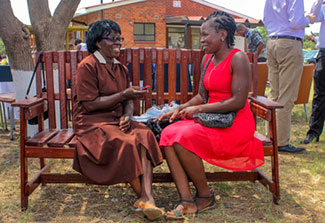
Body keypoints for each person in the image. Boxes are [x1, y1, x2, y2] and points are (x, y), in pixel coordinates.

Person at [158, 11, 264, 220]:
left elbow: (238, 101)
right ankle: (187, 200)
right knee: (168, 134)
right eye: (201, 35)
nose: (202, 39)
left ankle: (204, 196)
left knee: (181, 138)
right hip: (211, 118)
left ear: (223, 34)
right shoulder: (207, 59)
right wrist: (181, 108)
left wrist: (198, 110)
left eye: (206, 35)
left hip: (234, 123)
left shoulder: (238, 58)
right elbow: (201, 95)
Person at [72, 19, 165, 221]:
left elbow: (128, 98)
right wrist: (123, 95)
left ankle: (147, 198)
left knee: (145, 134)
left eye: (119, 38)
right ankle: (145, 197)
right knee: (127, 141)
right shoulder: (87, 67)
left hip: (116, 120)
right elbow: (89, 105)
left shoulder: (120, 68)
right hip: (92, 123)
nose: (118, 43)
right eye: (113, 39)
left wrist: (127, 114)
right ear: (98, 42)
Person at [263, 0, 316, 153]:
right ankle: (281, 142)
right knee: (287, 95)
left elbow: (266, 19)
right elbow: (296, 21)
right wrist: (308, 20)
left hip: (272, 41)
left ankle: (271, 136)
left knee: (274, 94)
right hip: (289, 42)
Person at [303, 0, 325, 144]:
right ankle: (314, 132)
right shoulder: (322, 8)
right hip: (324, 53)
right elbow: (313, 16)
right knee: (319, 94)